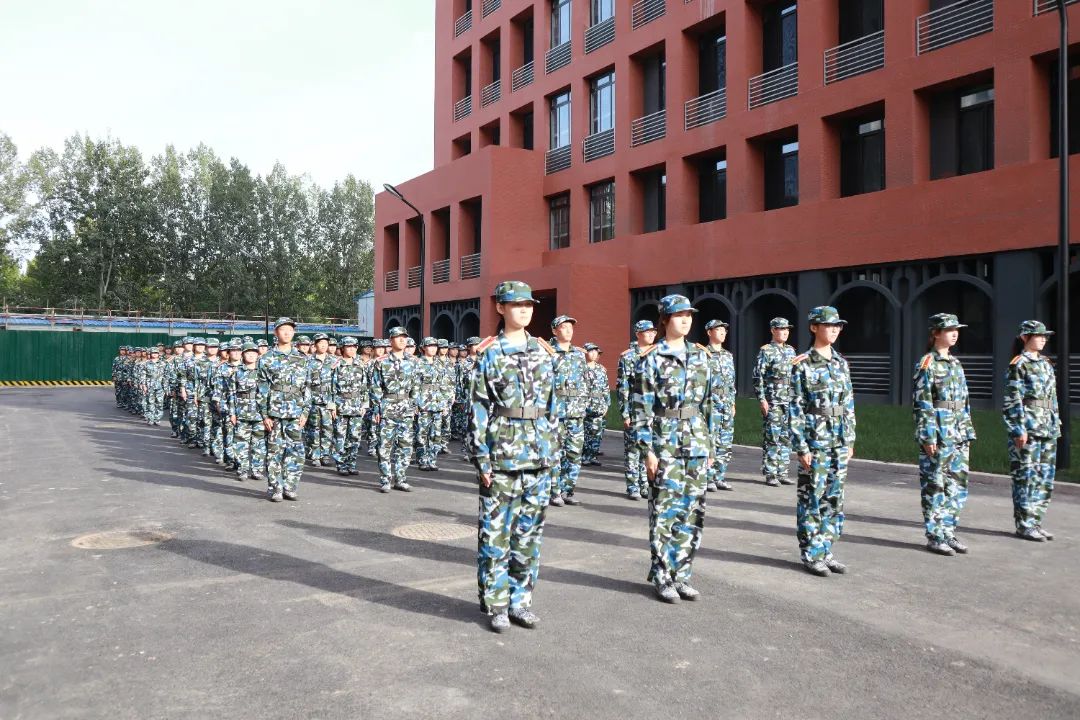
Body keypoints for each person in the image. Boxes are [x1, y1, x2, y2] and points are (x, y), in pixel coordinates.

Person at [471, 281, 557, 633]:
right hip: (502, 453)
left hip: (538, 455)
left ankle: (521, 602)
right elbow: (478, 408)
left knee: (529, 534)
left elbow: (553, 407)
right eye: (516, 304)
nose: (524, 310)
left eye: (529, 305)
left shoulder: (544, 352)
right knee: (495, 534)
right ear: (500, 308)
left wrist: (553, 452)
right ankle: (497, 605)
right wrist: (482, 458)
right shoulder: (489, 353)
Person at [633, 294, 715, 603]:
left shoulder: (701, 357)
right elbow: (640, 409)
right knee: (664, 513)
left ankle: (682, 575)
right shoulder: (651, 359)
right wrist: (647, 451)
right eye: (679, 315)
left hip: (696, 442)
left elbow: (708, 405)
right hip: (664, 442)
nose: (686, 320)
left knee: (692, 513)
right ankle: (663, 576)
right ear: (665, 319)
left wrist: (710, 447)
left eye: (689, 315)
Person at [789, 306, 856, 577]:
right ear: (814, 327)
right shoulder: (802, 364)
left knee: (834, 498)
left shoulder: (841, 363)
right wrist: (801, 446)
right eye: (829, 325)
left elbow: (848, 404)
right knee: (812, 498)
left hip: (838, 439)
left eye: (837, 326)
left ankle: (827, 549)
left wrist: (849, 439)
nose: (834, 330)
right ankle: (812, 553)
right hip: (815, 440)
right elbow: (795, 408)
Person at [913, 313, 976, 556]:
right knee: (935, 485)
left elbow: (965, 402)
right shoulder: (927, 363)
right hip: (939, 432)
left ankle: (948, 532)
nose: (954, 333)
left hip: (959, 432)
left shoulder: (955, 363)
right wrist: (928, 435)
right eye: (949, 330)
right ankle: (935, 536)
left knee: (957, 485)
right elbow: (922, 403)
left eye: (956, 329)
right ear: (935, 333)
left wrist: (967, 430)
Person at [1003, 320, 1061, 542]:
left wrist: (1056, 422)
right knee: (1025, 476)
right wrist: (1018, 428)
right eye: (1039, 335)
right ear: (1025, 337)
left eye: (1045, 336)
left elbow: (1052, 397)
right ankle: (1025, 525)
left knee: (1044, 477)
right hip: (1028, 427)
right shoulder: (1019, 364)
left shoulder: (1046, 364)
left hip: (1047, 427)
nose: (1043, 339)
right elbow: (1012, 399)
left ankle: (1036, 521)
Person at [258, 318, 311, 502]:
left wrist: (305, 412)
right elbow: (262, 389)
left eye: (290, 329)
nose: (287, 333)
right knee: (274, 452)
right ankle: (276, 488)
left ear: (294, 333)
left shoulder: (303, 358)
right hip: (275, 413)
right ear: (276, 333)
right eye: (283, 329)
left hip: (296, 412)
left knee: (296, 452)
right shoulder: (266, 359)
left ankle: (290, 486)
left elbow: (307, 387)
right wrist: (264, 415)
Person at [371, 327, 420, 492]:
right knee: (384, 447)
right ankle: (385, 480)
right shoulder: (382, 362)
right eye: (398, 337)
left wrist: (413, 405)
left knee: (405, 446)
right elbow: (376, 387)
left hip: (406, 408)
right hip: (387, 407)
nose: (402, 340)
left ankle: (400, 479)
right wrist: (377, 408)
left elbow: (416, 386)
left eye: (404, 337)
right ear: (390, 340)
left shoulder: (413, 361)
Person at [549, 315, 588, 507]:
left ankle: (568, 490)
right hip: (555, 412)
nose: (568, 330)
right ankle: (554, 491)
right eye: (564, 327)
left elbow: (584, 381)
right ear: (554, 331)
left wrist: (584, 405)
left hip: (576, 412)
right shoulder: (548, 353)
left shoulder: (579, 354)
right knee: (554, 454)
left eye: (571, 327)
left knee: (574, 453)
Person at [754, 318, 797, 486]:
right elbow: (758, 376)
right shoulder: (766, 351)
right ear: (773, 330)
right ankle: (771, 474)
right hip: (773, 400)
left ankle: (783, 472)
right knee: (772, 437)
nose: (785, 332)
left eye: (787, 329)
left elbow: (795, 376)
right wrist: (762, 399)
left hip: (789, 400)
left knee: (786, 438)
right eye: (781, 329)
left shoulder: (791, 351)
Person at [618, 320, 657, 500]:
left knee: (648, 448)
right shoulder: (628, 357)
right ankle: (633, 486)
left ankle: (645, 485)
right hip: (635, 410)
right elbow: (623, 387)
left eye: (653, 332)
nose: (651, 334)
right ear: (638, 334)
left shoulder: (656, 355)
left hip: (653, 411)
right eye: (647, 332)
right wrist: (625, 413)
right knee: (633, 449)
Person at [704, 319, 736, 492]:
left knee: (725, 441)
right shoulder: (703, 354)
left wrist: (732, 403)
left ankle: (720, 476)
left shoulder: (727, 356)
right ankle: (708, 477)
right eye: (719, 329)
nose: (723, 332)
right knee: (710, 440)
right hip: (712, 403)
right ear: (709, 332)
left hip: (726, 404)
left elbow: (731, 383)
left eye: (724, 330)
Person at [332, 337, 370, 476]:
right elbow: (331, 387)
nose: (352, 349)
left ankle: (351, 464)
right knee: (340, 437)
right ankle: (341, 464)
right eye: (348, 347)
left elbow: (364, 386)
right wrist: (332, 405)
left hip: (356, 405)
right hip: (341, 405)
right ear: (342, 348)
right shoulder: (336, 365)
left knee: (354, 437)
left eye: (354, 346)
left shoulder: (360, 365)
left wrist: (364, 405)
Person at [230, 341, 267, 482]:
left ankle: (257, 470)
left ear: (258, 355)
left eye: (254, 353)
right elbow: (231, 394)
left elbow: (268, 394)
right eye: (248, 353)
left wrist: (267, 414)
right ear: (243, 355)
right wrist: (232, 413)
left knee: (259, 443)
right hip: (242, 412)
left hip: (259, 413)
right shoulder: (237, 372)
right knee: (241, 443)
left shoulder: (263, 372)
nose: (251, 355)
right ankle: (242, 469)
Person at [306, 332, 338, 467]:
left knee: (328, 429)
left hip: (328, 401)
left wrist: (334, 403)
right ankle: (315, 455)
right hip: (313, 400)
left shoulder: (334, 361)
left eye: (326, 343)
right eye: (321, 343)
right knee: (313, 429)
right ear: (315, 345)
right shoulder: (309, 361)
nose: (324, 345)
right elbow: (306, 384)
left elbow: (337, 383)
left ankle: (325, 455)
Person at [414, 337, 445, 471]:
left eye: (435, 346)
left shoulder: (439, 363)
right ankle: (422, 460)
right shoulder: (418, 363)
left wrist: (444, 403)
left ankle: (432, 460)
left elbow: (443, 384)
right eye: (430, 346)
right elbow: (415, 384)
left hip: (438, 403)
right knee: (422, 433)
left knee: (436, 434)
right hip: (424, 403)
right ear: (423, 348)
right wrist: (415, 403)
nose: (433, 348)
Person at [582, 343, 610, 467]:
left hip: (599, 405)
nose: (594, 354)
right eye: (591, 351)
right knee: (585, 432)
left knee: (597, 432)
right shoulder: (581, 368)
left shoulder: (601, 369)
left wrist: (607, 404)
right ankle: (584, 456)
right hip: (585, 405)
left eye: (595, 352)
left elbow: (606, 388)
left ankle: (592, 456)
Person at [142, 348, 166, 425]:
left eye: (156, 353)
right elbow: (143, 375)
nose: (154, 354)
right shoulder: (146, 363)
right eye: (153, 353)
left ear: (158, 354)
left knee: (159, 403)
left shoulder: (163, 363)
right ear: (150, 354)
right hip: (150, 385)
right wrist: (143, 385)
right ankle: (150, 418)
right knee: (150, 402)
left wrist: (166, 387)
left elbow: (166, 375)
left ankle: (157, 418)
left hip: (160, 386)